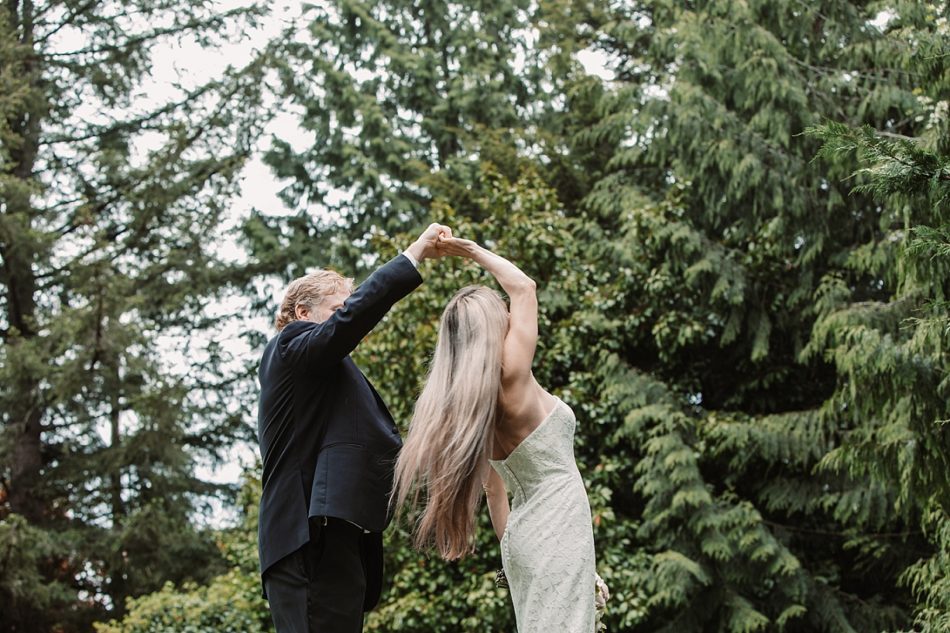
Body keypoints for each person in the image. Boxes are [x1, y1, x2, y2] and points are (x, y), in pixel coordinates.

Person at [391, 236, 600, 632]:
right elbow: (524, 286)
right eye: (500, 310)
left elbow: (493, 491)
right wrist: (470, 250)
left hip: (523, 539)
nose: (509, 312)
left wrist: (521, 554)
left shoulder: (471, 408)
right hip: (560, 521)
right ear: (492, 323)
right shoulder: (513, 373)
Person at [257, 223, 451, 633]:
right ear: (302, 314)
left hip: (338, 539)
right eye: (337, 307)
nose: (346, 314)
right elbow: (351, 321)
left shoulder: (326, 373)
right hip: (307, 537)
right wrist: (412, 254)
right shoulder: (290, 347)